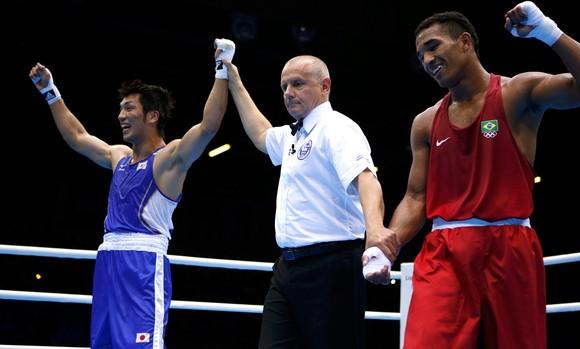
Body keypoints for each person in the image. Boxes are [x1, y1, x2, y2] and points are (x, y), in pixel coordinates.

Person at [366, 1, 580, 348]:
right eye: (420, 54)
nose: (426, 60)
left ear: (465, 42)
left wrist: (547, 31)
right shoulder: (424, 123)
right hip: (444, 254)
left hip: (509, 249)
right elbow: (416, 196)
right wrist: (386, 246)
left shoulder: (517, 93)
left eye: (433, 46)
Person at [28, 38, 236, 348]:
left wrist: (222, 69)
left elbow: (208, 126)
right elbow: (77, 137)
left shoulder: (170, 159)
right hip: (108, 259)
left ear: (152, 116)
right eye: (120, 108)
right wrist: (50, 91)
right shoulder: (119, 157)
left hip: (143, 263)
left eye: (129, 108)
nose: (120, 115)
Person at [221, 52, 400, 348]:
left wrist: (376, 229)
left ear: (325, 85)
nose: (289, 93)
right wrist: (234, 80)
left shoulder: (337, 128)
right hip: (287, 268)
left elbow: (366, 179)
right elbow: (261, 134)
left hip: (331, 266)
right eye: (284, 87)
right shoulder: (295, 135)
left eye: (298, 84)